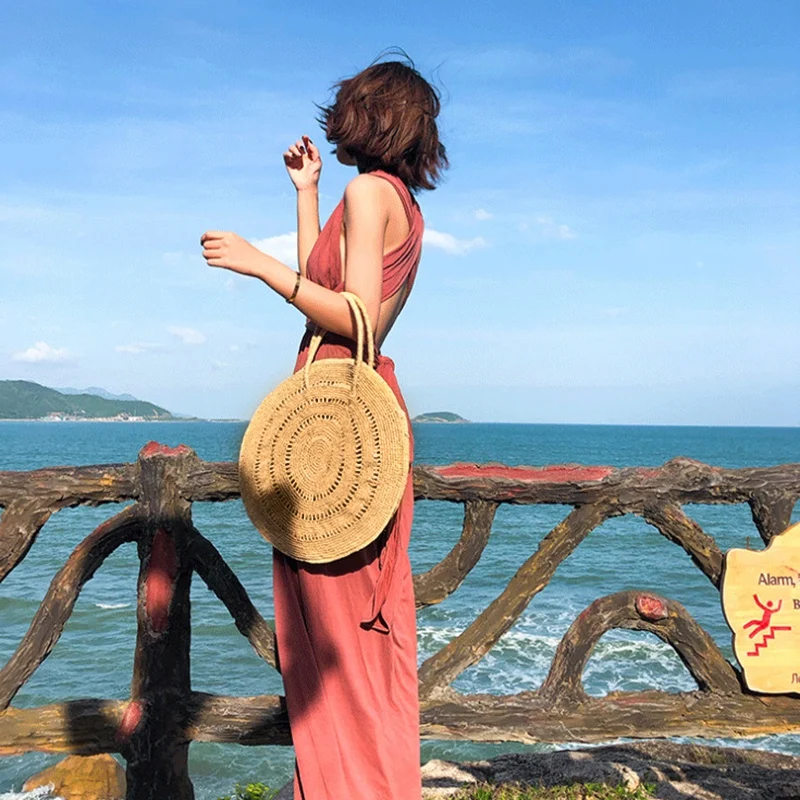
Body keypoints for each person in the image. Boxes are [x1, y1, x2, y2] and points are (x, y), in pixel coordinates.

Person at [200, 55, 448, 799]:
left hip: (341, 422)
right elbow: (331, 279)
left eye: (349, 109)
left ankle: (356, 786)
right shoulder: (392, 199)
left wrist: (259, 265)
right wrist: (307, 194)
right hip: (348, 410)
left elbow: (357, 315)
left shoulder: (370, 192)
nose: (335, 123)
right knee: (346, 630)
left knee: (336, 632)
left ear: (371, 118)